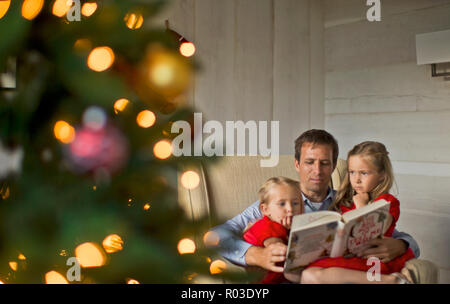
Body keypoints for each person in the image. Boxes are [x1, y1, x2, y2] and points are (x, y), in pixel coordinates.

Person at [210, 129, 420, 278]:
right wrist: (255, 254)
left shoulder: (347, 202)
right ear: (297, 164)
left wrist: (401, 245)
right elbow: (215, 236)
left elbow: (398, 235)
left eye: (324, 163)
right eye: (310, 162)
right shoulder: (276, 204)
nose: (317, 171)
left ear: (333, 166)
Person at [300, 141, 415, 283]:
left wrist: (362, 207)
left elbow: (372, 232)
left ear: (382, 175)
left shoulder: (387, 202)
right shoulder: (346, 201)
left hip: (372, 259)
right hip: (351, 258)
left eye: (364, 173)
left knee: (310, 275)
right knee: (308, 273)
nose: (356, 179)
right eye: (352, 172)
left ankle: (389, 280)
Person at [243, 177, 304, 284]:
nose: (290, 208)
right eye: (282, 204)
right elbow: (280, 251)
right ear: (265, 209)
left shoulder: (285, 227)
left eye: (295, 203)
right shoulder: (267, 226)